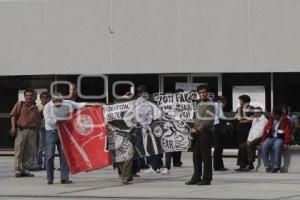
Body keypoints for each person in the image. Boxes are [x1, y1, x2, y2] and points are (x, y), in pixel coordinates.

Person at [43, 93, 87, 184]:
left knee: (64, 155)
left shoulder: (67, 103)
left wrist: (93, 105)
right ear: (53, 101)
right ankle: (50, 178)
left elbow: (79, 105)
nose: (60, 104)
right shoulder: (47, 107)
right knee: (50, 155)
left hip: (63, 132)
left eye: (61, 102)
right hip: (51, 131)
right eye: (57, 102)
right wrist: (65, 119)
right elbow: (49, 121)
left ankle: (64, 177)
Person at [185, 84, 215, 186]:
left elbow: (207, 121)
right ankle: (196, 177)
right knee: (196, 156)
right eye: (200, 92)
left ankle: (207, 179)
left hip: (206, 133)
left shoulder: (210, 104)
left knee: (206, 157)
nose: (202, 94)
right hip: (198, 133)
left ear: (207, 93)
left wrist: (195, 129)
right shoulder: (199, 103)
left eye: (204, 92)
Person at [10, 89, 40, 177]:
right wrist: (13, 128)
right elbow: (13, 116)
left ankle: (25, 169)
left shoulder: (35, 107)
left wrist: (36, 131)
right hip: (21, 130)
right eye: (27, 95)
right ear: (24, 96)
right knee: (19, 150)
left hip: (32, 132)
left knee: (29, 152)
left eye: (31, 95)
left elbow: (38, 120)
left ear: (34, 97)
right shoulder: (20, 104)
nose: (29, 97)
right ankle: (18, 170)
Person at [235, 107, 268, 171]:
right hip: (252, 138)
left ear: (259, 113)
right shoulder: (255, 120)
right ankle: (242, 165)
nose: (254, 114)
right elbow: (251, 130)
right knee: (242, 146)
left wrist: (252, 140)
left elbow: (261, 132)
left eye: (255, 113)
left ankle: (250, 164)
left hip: (259, 138)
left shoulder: (264, 120)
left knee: (250, 145)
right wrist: (248, 139)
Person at [261, 107, 292, 173]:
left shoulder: (286, 120)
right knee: (264, 146)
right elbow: (266, 129)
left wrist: (286, 142)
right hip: (271, 137)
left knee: (277, 146)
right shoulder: (271, 119)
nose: (272, 115)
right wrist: (263, 139)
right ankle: (268, 166)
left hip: (280, 138)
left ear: (278, 115)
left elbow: (288, 132)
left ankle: (276, 166)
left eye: (273, 114)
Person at [213, 96, 228, 171]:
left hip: (214, 126)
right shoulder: (218, 105)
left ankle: (218, 165)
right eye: (224, 102)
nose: (224, 105)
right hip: (218, 126)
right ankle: (218, 166)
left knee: (217, 147)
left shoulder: (213, 105)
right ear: (220, 101)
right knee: (219, 147)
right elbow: (222, 117)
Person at [36, 91, 50, 170]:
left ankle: (46, 165)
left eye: (46, 97)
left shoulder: (50, 106)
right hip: (41, 129)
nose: (45, 99)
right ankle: (39, 164)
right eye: (43, 97)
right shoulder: (38, 106)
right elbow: (37, 117)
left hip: (49, 129)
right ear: (40, 98)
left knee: (49, 148)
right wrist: (44, 109)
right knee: (40, 147)